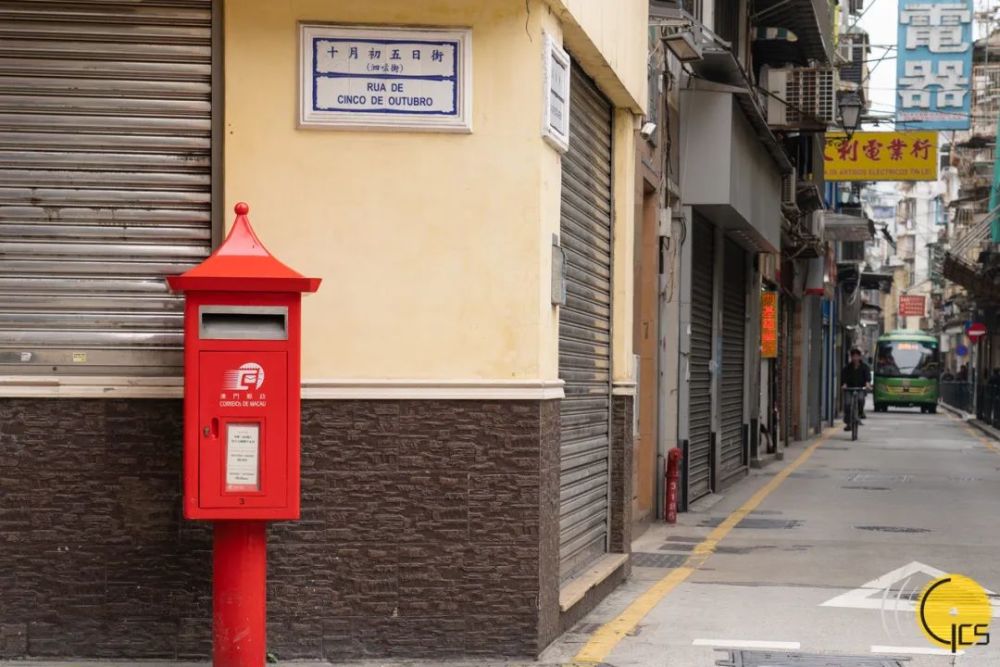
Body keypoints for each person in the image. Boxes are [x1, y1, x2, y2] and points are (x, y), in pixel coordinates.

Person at [841, 348, 872, 431]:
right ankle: (848, 422)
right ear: (851, 357)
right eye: (853, 356)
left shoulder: (865, 367)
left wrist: (867, 383)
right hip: (849, 389)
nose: (855, 358)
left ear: (859, 357)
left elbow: (868, 377)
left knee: (860, 399)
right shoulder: (847, 368)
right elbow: (843, 378)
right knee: (847, 404)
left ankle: (860, 414)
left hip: (860, 388)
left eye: (856, 356)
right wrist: (844, 384)